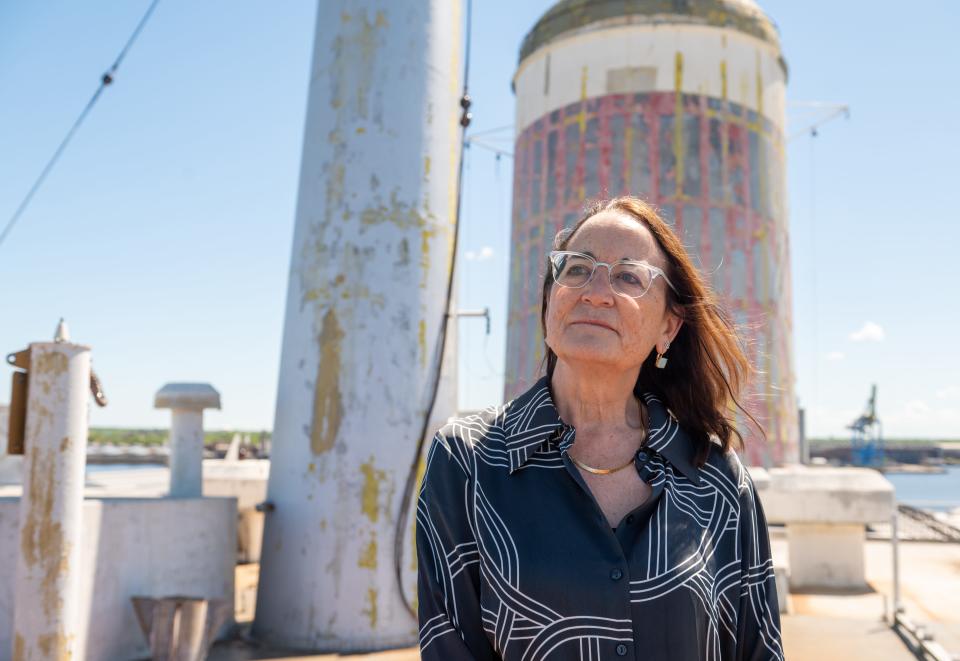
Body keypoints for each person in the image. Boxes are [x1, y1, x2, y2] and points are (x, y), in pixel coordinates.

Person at [416, 196, 784, 660]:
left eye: (629, 276)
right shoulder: (468, 462)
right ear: (551, 300)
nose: (595, 291)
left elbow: (759, 650)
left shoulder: (716, 479)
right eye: (576, 269)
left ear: (668, 328)